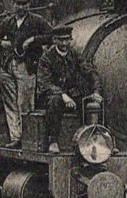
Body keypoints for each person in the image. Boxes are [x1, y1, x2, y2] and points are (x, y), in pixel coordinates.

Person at [0, 0, 52, 146]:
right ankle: (16, 138)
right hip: (7, 66)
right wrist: (1, 43)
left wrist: (33, 40)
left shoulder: (37, 21)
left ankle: (27, 138)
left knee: (25, 103)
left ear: (29, 5)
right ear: (13, 5)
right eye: (18, 4)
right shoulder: (7, 22)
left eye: (25, 4)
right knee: (11, 103)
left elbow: (51, 36)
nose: (21, 7)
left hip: (26, 66)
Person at [34, 25, 98, 153]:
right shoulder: (46, 58)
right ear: (55, 40)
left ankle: (96, 139)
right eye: (61, 40)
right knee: (55, 102)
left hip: (71, 94)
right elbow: (45, 82)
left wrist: (96, 92)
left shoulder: (74, 54)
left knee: (90, 104)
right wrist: (62, 94)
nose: (64, 43)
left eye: (67, 40)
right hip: (50, 95)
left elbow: (90, 72)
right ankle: (53, 141)